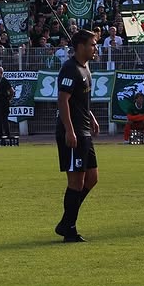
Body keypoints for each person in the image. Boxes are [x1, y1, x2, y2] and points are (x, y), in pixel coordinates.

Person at [54, 29, 100, 243]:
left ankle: (65, 221)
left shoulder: (85, 67)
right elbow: (63, 101)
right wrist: (70, 130)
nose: (95, 48)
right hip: (73, 132)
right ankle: (69, 229)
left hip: (84, 130)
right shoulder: (69, 68)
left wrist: (91, 116)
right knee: (76, 181)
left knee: (92, 178)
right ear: (80, 46)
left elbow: (79, 99)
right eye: (92, 44)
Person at [0, 65, 15, 140]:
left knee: (4, 118)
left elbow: (12, 91)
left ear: (0, 72)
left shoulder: (4, 81)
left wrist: (8, 98)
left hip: (3, 102)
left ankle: (7, 134)